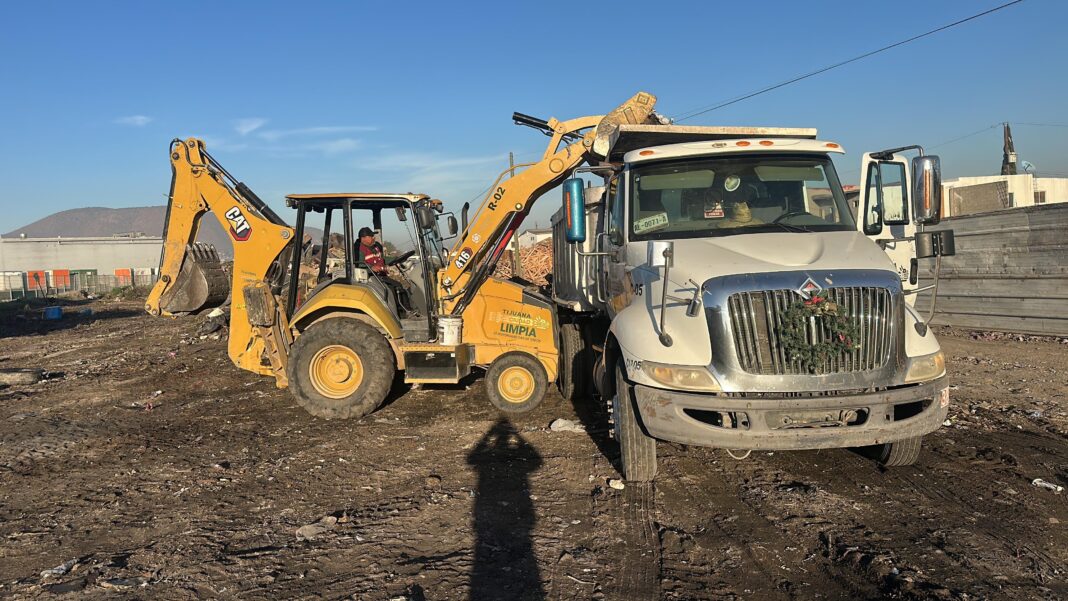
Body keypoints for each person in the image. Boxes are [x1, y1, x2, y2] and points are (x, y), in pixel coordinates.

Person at [357, 227, 416, 315]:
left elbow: (382, 259)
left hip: (382, 274)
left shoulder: (375, 247)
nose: (374, 238)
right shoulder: (359, 250)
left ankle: (409, 309)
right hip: (372, 276)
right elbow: (359, 265)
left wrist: (397, 258)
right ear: (364, 238)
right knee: (395, 287)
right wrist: (372, 267)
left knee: (404, 285)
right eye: (371, 236)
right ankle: (403, 312)